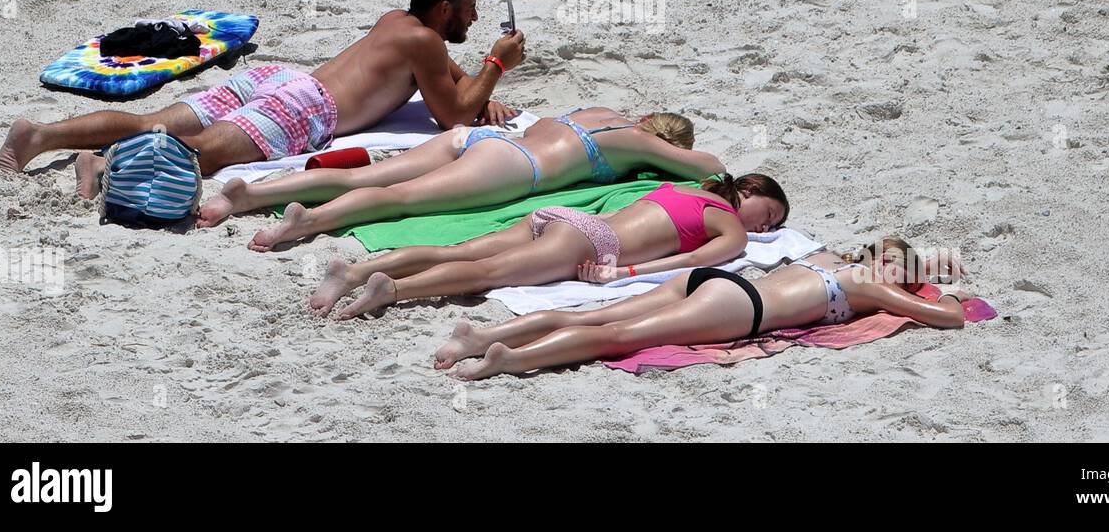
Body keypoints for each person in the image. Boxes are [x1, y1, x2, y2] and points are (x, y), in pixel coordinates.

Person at [0, 0, 524, 199]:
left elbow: (455, 84)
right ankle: (104, 169)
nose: (476, 17)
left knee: (149, 122)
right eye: (470, 7)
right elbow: (453, 114)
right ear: (446, 8)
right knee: (197, 156)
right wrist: (497, 64)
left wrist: (483, 89)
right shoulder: (425, 43)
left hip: (279, 79)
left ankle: (38, 135)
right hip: (306, 108)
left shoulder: (400, 24)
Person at [434, 235, 970, 380]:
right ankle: (508, 359)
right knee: (618, 337)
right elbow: (949, 317)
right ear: (890, 265)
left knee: (589, 316)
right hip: (741, 306)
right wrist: (940, 290)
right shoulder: (873, 284)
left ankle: (479, 336)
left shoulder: (830, 256)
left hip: (711, 280)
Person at [239, 107, 728, 250]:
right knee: (398, 199)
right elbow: (713, 169)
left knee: (367, 176)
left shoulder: (600, 111)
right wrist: (668, 154)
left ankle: (247, 195)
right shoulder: (640, 144)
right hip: (514, 169)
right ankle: (302, 224)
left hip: (478, 139)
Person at [315, 172, 789, 318]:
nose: (763, 231)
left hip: (563, 220)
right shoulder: (729, 222)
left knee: (457, 251)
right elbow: (692, 261)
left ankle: (353, 273)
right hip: (594, 239)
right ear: (746, 193)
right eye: (767, 216)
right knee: (486, 275)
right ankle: (391, 290)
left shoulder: (684, 189)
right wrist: (624, 274)